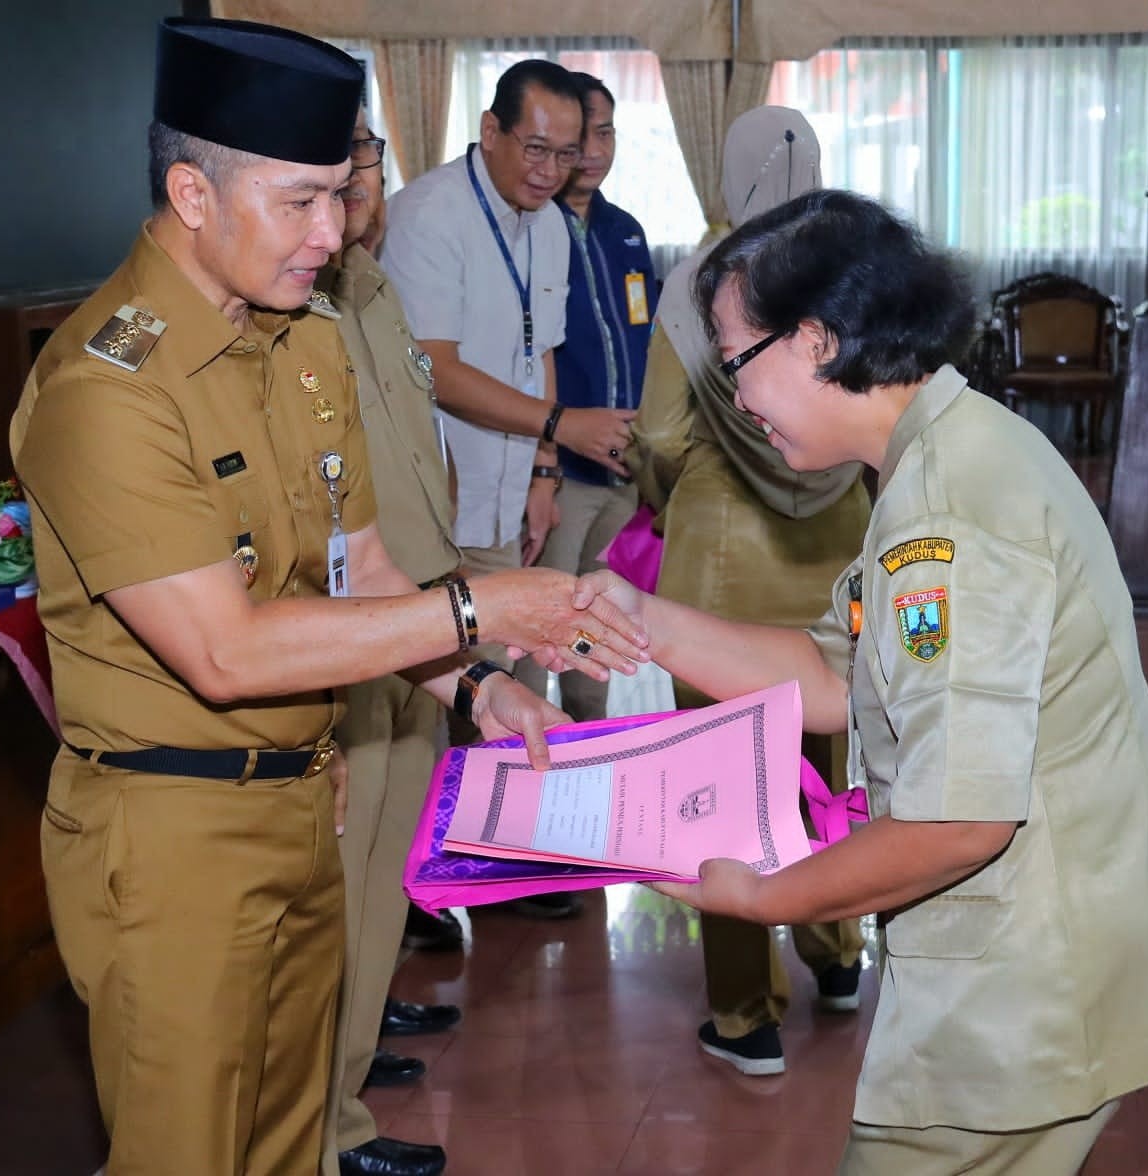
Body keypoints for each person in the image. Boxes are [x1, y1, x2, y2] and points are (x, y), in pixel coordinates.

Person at [8, 19, 646, 1175]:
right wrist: (486, 611)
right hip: (173, 838)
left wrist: (480, 687)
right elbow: (226, 652)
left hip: (307, 802)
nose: (336, 229)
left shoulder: (302, 342)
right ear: (192, 194)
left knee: (296, 1145)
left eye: (342, 192)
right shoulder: (106, 389)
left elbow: (372, 574)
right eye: (300, 201)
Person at [574, 189, 1148, 1174]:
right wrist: (642, 620)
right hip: (1056, 940)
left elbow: (956, 822)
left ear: (811, 342)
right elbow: (830, 675)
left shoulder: (948, 509)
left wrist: (766, 899)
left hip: (1027, 985)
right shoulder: (943, 449)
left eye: (735, 365)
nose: (736, 400)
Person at [629, 107, 868, 1076]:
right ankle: (838, 957)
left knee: (722, 789)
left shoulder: (698, 281)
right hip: (837, 547)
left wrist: (685, 486)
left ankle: (744, 1015)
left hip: (721, 558)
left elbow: (654, 435)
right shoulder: (849, 278)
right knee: (824, 766)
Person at [384, 57, 634, 919]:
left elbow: (542, 348)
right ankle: (420, 891)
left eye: (565, 154)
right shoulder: (427, 217)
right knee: (431, 685)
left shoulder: (553, 226)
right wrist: (561, 427)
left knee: (494, 675)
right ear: (487, 131)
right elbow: (437, 371)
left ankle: (500, 856)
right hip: (431, 494)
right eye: (533, 147)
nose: (548, 169)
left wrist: (544, 469)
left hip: (504, 485)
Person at [316, 107, 456, 1176]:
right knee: (344, 896)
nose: (358, 177)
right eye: (337, 159)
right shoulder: (290, 310)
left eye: (366, 155)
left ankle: (350, 1074)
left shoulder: (369, 288)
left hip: (419, 623)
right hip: (358, 637)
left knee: (381, 882)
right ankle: (327, 1130)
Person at [518, 71, 657, 722]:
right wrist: (546, 455)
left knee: (600, 620)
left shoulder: (624, 230)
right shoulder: (530, 229)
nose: (593, 151)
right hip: (560, 471)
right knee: (538, 625)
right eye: (582, 137)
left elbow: (644, 338)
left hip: (622, 467)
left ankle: (590, 746)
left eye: (605, 133)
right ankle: (519, 755)